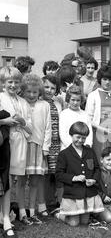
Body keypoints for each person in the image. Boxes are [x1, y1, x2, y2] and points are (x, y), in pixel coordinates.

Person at [17, 74, 51, 224]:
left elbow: (48, 127)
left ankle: (32, 211)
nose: (31, 95)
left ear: (39, 92)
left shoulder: (44, 105)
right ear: (23, 91)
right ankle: (22, 212)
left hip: (38, 147)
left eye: (35, 92)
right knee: (21, 181)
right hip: (22, 146)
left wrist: (46, 147)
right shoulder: (20, 103)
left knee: (35, 181)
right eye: (28, 92)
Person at [55, 122, 104, 227]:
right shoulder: (64, 154)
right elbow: (59, 174)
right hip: (73, 193)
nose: (80, 140)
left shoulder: (90, 152)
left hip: (88, 193)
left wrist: (94, 180)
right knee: (74, 223)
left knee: (84, 222)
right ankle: (60, 214)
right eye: (78, 137)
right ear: (71, 135)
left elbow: (97, 169)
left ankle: (82, 214)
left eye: (83, 138)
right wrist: (74, 178)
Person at [0, 67, 32, 225]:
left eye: (16, 82)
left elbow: (30, 128)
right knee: (4, 179)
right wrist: (6, 121)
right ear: (3, 83)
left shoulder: (23, 102)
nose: (13, 85)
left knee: (19, 178)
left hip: (20, 142)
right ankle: (3, 214)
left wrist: (23, 121)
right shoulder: (0, 98)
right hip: (4, 142)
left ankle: (20, 210)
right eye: (9, 82)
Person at [86, 66, 111, 171]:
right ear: (100, 80)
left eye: (110, 79)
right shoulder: (93, 95)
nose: (107, 82)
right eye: (105, 79)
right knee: (99, 163)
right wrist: (102, 129)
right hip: (98, 135)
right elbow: (88, 118)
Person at [42, 74, 63, 209]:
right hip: (44, 142)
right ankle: (45, 201)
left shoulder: (57, 103)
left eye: (52, 88)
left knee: (56, 172)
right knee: (45, 173)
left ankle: (57, 200)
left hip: (57, 143)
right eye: (46, 87)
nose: (49, 90)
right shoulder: (39, 102)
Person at [0, 104, 16, 238]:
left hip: (2, 156)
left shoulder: (4, 114)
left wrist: (4, 121)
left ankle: (6, 221)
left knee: (5, 186)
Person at [59, 85, 93, 151]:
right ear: (68, 99)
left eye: (78, 100)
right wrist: (74, 148)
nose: (75, 103)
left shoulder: (85, 114)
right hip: (68, 149)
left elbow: (89, 133)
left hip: (83, 150)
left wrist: (87, 145)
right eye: (73, 100)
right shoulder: (64, 114)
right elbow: (63, 134)